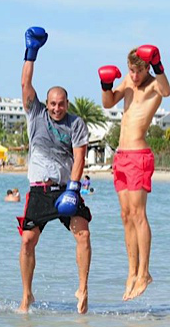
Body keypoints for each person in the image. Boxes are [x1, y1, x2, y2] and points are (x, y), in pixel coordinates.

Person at [18, 27, 92, 314]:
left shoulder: (76, 124)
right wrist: (31, 54)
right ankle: (27, 295)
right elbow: (25, 84)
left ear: (67, 104)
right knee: (27, 242)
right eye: (52, 104)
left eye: (61, 104)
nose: (57, 108)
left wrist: (74, 188)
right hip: (39, 189)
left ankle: (82, 289)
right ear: (46, 104)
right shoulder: (35, 114)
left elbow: (79, 156)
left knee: (83, 234)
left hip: (65, 189)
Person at [99, 45, 170, 300]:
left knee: (139, 214)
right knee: (125, 215)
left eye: (138, 71)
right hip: (121, 156)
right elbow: (108, 104)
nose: (134, 76)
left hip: (140, 155)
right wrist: (105, 84)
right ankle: (131, 271)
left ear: (148, 67)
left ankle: (144, 272)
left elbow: (167, 90)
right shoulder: (128, 80)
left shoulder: (153, 85)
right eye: (131, 70)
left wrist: (159, 65)